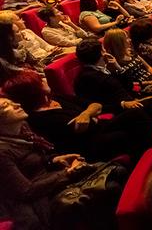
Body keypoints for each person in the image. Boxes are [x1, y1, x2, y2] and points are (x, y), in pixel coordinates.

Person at [2, 70, 152, 161]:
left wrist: (87, 113)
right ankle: (151, 157)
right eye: (39, 81)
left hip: (99, 128)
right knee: (132, 121)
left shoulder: (55, 98)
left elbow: (95, 104)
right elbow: (85, 129)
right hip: (88, 146)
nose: (43, 79)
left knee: (144, 110)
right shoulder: (39, 118)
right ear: (33, 91)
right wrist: (91, 114)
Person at [0, 97, 89, 230]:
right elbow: (26, 191)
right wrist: (68, 173)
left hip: (48, 180)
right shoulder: (2, 152)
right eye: (7, 105)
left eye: (13, 102)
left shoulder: (23, 127)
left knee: (114, 174)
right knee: (109, 187)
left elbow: (38, 158)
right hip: (33, 200)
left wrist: (54, 160)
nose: (18, 104)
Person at [73, 38, 152, 120]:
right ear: (102, 53)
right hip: (127, 110)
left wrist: (118, 68)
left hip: (134, 98)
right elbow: (94, 104)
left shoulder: (105, 67)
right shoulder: (86, 78)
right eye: (103, 49)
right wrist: (123, 104)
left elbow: (129, 85)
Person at [103, 28, 152, 97]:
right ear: (118, 43)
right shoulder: (113, 64)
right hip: (143, 88)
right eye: (126, 38)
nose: (129, 40)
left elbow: (148, 67)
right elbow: (128, 84)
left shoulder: (130, 52)